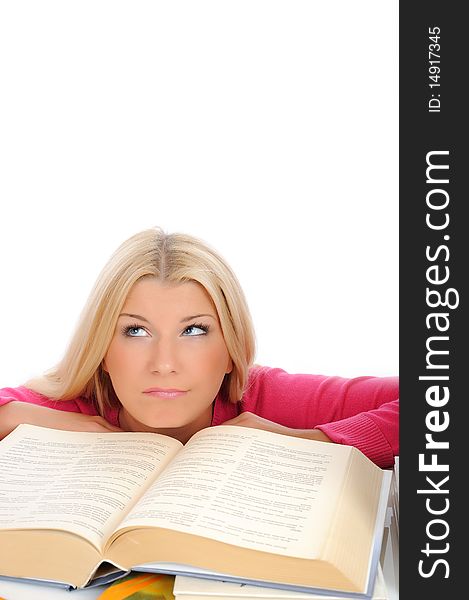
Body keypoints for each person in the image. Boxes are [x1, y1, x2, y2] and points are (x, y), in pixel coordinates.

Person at [0, 227, 399, 468]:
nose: (164, 364)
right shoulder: (82, 402)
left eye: (193, 331)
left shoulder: (261, 397)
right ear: (102, 350)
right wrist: (30, 418)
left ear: (231, 349)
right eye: (136, 332)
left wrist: (309, 442)